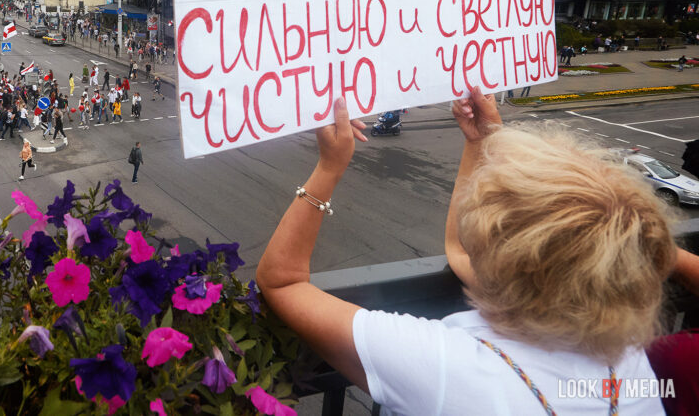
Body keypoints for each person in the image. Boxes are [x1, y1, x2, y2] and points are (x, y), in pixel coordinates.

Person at [256, 91, 674, 415]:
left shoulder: (448, 367)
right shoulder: (626, 354)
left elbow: (282, 283)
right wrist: (483, 140)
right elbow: (459, 254)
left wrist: (329, 167)